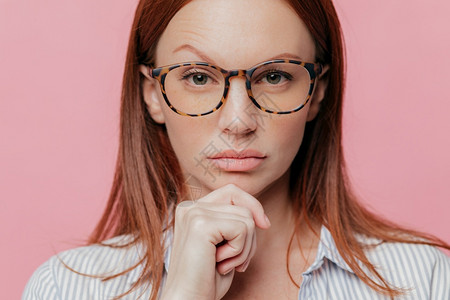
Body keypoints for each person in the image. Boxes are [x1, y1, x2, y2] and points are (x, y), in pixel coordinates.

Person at [23, 0, 450, 299]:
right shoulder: (67, 288)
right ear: (152, 94)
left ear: (317, 92)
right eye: (197, 77)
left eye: (275, 76)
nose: (238, 122)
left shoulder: (424, 281)